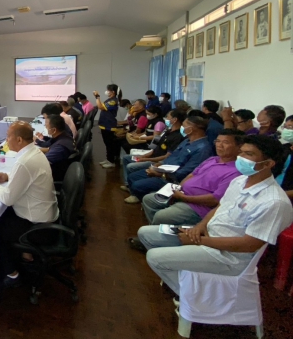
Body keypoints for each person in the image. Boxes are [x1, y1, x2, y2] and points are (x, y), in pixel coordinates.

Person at [138, 135, 293, 298]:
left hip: (228, 256)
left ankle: (194, 299)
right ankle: (185, 282)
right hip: (208, 235)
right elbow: (220, 206)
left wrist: (200, 241)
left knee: (154, 257)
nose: (241, 157)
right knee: (145, 234)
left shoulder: (274, 202)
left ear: (268, 164)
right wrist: (200, 227)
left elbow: (249, 245)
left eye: (249, 154)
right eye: (241, 152)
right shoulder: (240, 181)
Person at [0, 122, 59, 287]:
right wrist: (8, 177)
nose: (6, 140)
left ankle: (12, 273)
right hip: (46, 215)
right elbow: (27, 176)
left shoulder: (24, 162)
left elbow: (8, 198)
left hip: (38, 226)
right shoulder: (34, 152)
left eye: (8, 136)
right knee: (5, 215)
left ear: (19, 140)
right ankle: (26, 254)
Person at [139, 129, 244, 228]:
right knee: (149, 200)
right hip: (181, 194)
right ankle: (155, 231)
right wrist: (178, 189)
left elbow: (214, 200)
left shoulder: (236, 172)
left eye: (225, 142)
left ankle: (156, 234)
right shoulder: (212, 159)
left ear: (239, 148)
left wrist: (183, 198)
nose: (219, 145)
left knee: (161, 216)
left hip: (198, 207)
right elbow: (192, 175)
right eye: (218, 141)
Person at [125, 116, 214, 203]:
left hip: (173, 179)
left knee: (137, 184)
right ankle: (137, 194)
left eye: (184, 126)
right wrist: (159, 164)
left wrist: (162, 175)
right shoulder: (186, 141)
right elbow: (172, 155)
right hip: (163, 169)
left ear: (191, 129)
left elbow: (187, 172)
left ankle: (140, 197)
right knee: (132, 176)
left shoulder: (203, 149)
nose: (182, 128)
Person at [120, 109, 186, 188]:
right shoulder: (167, 131)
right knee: (126, 158)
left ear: (174, 120)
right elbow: (155, 146)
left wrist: (145, 159)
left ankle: (133, 186)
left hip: (157, 161)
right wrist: (143, 156)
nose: (166, 119)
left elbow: (166, 157)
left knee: (130, 166)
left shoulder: (178, 137)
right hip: (152, 156)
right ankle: (128, 184)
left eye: (168, 117)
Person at [35, 114, 75, 183]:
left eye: (46, 126)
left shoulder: (60, 147)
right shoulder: (64, 137)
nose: (46, 127)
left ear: (54, 130)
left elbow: (41, 162)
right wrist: (36, 151)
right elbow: (50, 149)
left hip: (53, 176)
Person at [94, 85, 122, 169]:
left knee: (110, 144)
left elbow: (100, 107)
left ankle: (111, 162)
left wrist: (97, 97)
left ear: (113, 92)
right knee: (107, 143)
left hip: (109, 125)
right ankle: (108, 159)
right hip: (105, 124)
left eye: (108, 90)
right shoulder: (110, 100)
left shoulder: (114, 101)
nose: (107, 91)